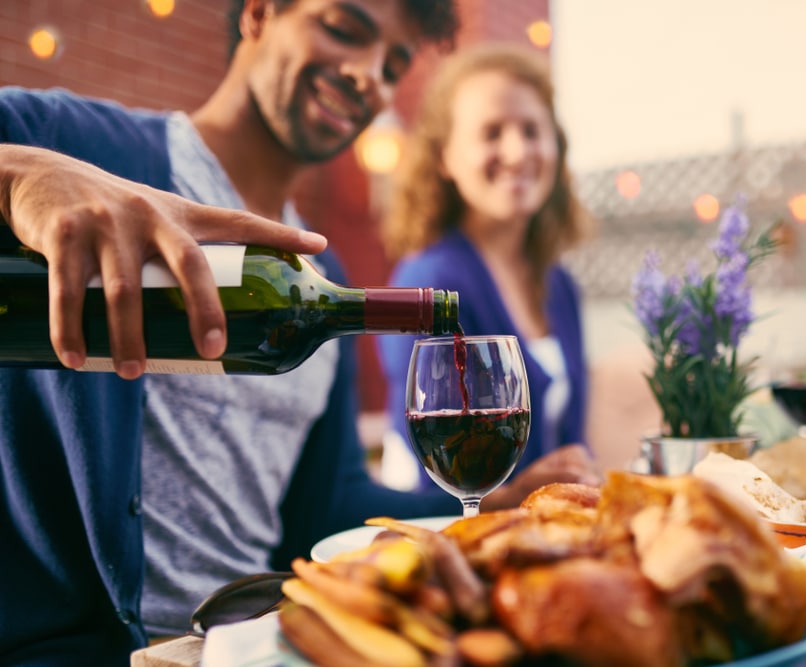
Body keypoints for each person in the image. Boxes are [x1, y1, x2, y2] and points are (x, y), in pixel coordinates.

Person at [0, 2, 598, 664]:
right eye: (345, 29)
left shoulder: (324, 279)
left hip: (257, 642)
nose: (370, 75)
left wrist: (495, 501)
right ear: (259, 12)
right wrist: (16, 174)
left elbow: (329, 505)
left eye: (394, 64)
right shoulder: (79, 149)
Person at [377, 42, 594, 491]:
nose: (517, 152)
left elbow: (574, 445)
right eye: (492, 132)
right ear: (444, 158)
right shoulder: (428, 284)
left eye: (532, 130)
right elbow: (434, 471)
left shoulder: (560, 286)